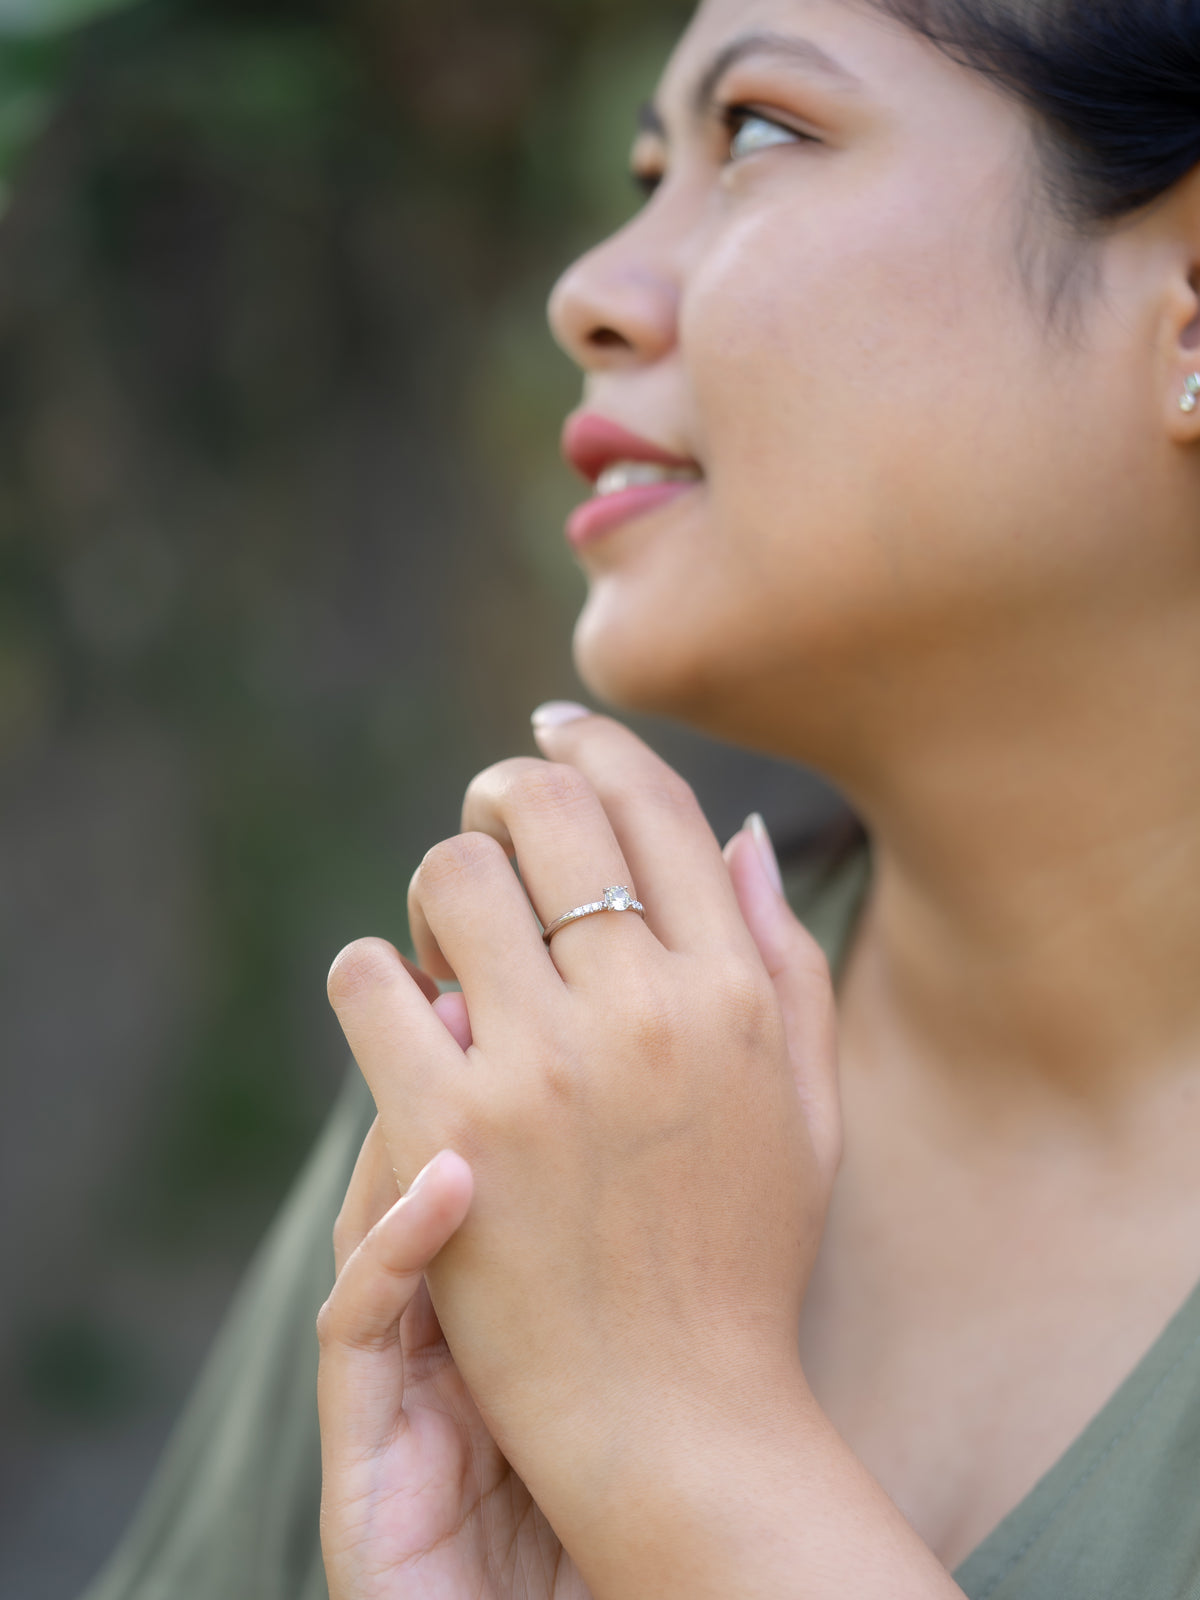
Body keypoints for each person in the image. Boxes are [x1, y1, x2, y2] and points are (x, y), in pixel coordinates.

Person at [84, 0, 1200, 1596]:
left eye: (757, 131)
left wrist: (681, 1437)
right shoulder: (520, 1078)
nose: (587, 294)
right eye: (642, 169)